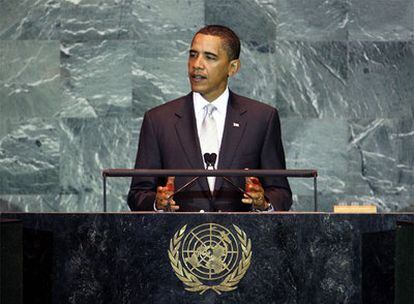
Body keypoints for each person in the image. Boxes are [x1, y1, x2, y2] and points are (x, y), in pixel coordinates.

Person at [127, 25, 292, 212]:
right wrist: (157, 203)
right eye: (193, 55)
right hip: (179, 237)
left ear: (233, 67)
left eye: (209, 57)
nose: (197, 64)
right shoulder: (158, 120)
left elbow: (281, 192)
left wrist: (264, 203)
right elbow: (138, 193)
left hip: (240, 238)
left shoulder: (261, 118)